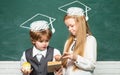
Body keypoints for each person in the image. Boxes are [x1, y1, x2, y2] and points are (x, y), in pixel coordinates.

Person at [58, 7, 97, 75]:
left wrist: (76, 57)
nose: (69, 29)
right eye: (68, 27)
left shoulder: (90, 40)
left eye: (72, 26)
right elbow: (67, 67)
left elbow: (91, 65)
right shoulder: (68, 42)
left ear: (81, 24)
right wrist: (61, 72)